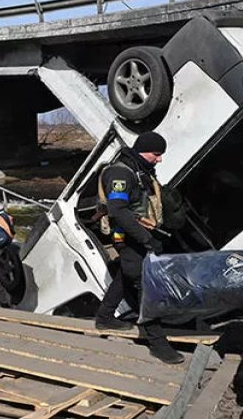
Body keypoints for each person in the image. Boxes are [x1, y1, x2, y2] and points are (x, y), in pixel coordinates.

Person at [95, 131, 183, 364]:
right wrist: (146, 239)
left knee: (126, 274)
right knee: (147, 286)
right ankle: (157, 342)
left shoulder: (139, 170)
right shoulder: (120, 174)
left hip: (139, 234)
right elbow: (118, 211)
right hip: (127, 236)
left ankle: (104, 316)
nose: (159, 159)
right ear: (143, 150)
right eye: (156, 154)